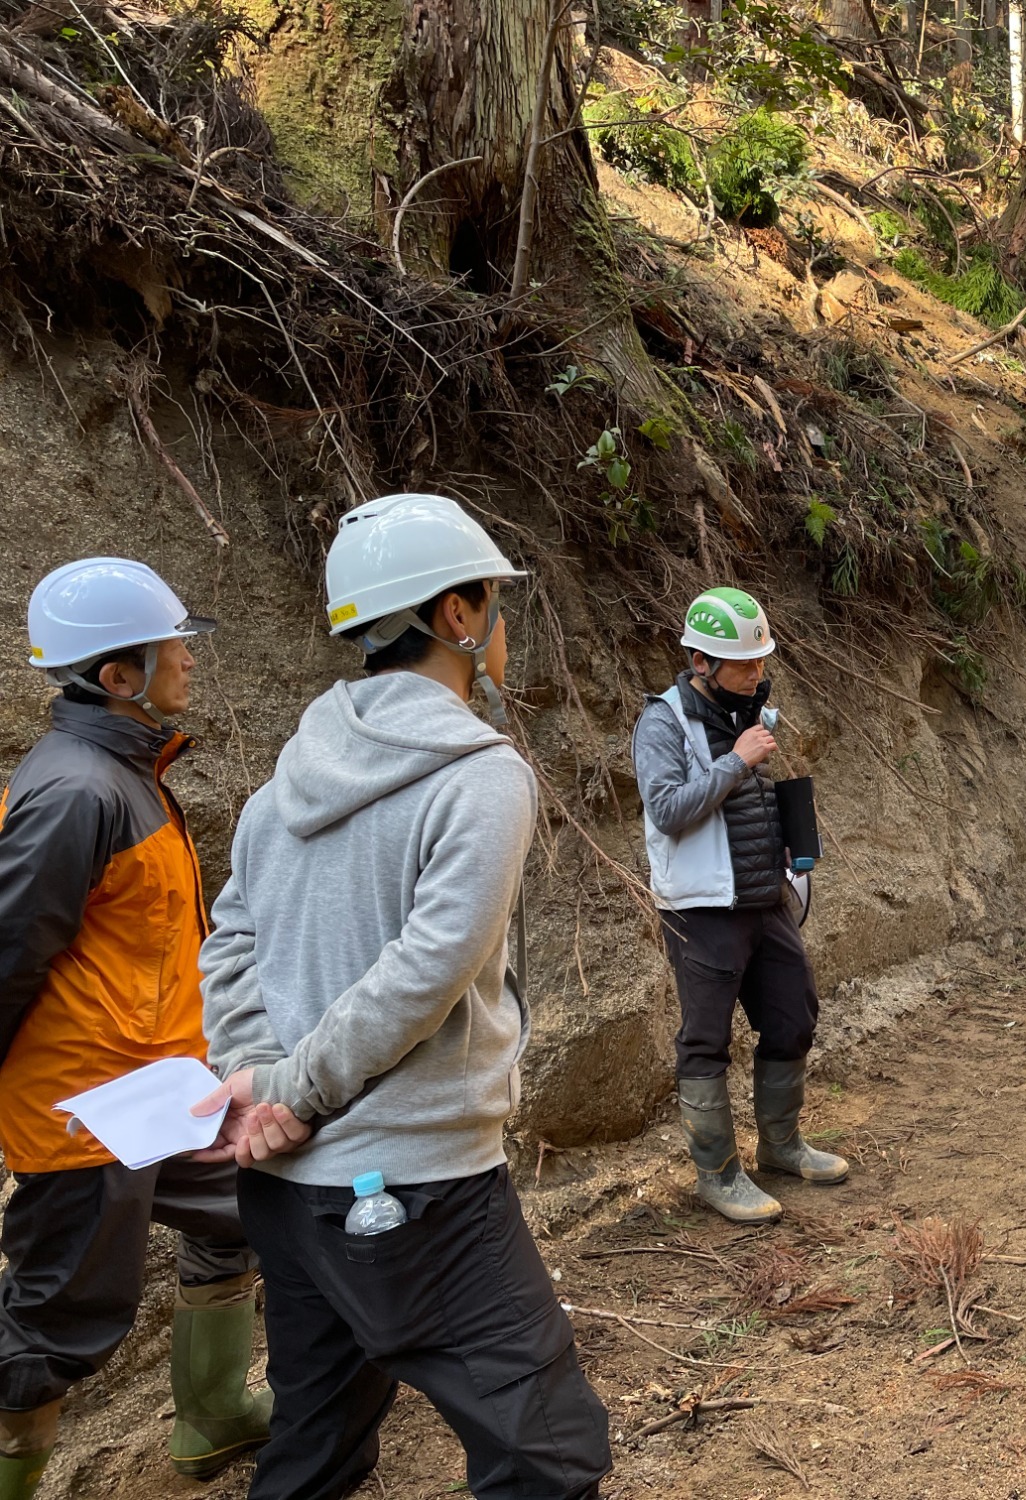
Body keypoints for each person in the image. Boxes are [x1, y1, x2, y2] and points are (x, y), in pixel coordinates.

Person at [196, 493, 611, 1499]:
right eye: (493, 603)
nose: (503, 626)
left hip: (287, 1196)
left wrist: (253, 1079)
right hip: (414, 1186)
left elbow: (230, 937)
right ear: (457, 618)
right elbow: (429, 971)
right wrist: (287, 1090)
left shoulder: (284, 781)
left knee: (317, 1441)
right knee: (545, 1452)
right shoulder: (481, 779)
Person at [0, 559, 269, 1499]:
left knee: (246, 1212)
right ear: (119, 677)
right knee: (54, 1325)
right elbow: (7, 951)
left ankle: (214, 1416)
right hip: (84, 1111)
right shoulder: (76, 791)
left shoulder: (125, 772)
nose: (189, 660)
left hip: (160, 1091)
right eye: (173, 647)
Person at [633, 587, 848, 1224]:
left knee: (793, 1016)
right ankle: (718, 1175)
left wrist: (787, 840)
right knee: (706, 1041)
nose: (758, 673)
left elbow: (743, 806)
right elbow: (668, 810)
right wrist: (736, 760)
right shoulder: (663, 722)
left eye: (761, 662)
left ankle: (781, 1146)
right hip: (701, 910)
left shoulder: (746, 712)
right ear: (701, 662)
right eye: (745, 664)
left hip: (764, 898)